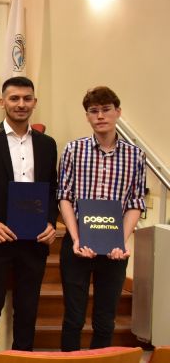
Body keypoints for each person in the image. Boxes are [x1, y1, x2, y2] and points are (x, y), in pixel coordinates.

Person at [0, 77, 58, 356]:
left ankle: (23, 359)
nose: (21, 104)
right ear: (2, 102)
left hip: (34, 240)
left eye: (27, 98)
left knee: (27, 311)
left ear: (34, 102)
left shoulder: (47, 144)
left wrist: (51, 223)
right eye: (14, 98)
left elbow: (53, 190)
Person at [58, 86, 145, 351]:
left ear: (117, 112)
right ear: (87, 117)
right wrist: (75, 238)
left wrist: (120, 240)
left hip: (113, 250)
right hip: (77, 246)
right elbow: (65, 197)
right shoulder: (74, 150)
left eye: (106, 109)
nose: (100, 116)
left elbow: (135, 203)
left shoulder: (135, 155)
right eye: (93, 111)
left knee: (105, 321)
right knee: (73, 318)